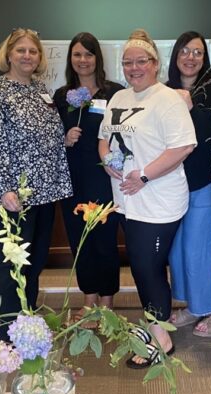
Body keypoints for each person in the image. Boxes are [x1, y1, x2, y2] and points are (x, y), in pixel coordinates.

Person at [98, 29, 196, 368]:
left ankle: (161, 338)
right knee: (143, 268)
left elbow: (183, 146)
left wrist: (144, 175)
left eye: (141, 61)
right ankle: (156, 322)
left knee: (147, 267)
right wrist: (107, 161)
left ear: (155, 63)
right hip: (128, 201)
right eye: (128, 63)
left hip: (158, 202)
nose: (134, 68)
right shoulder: (119, 99)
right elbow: (105, 138)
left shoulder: (168, 99)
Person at [0, 28, 72, 341]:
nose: (27, 56)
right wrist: (3, 188)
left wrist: (65, 138)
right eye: (21, 50)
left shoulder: (40, 89)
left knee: (34, 262)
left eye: (33, 51)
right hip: (14, 196)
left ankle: (25, 322)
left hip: (45, 193)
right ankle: (0, 333)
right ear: (8, 55)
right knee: (11, 267)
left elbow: (44, 136)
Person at [165, 31, 211, 336]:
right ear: (175, 55)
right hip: (169, 184)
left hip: (204, 181)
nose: (190, 58)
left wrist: (190, 103)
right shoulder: (163, 91)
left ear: (205, 59)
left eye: (197, 53)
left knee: (199, 249)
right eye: (185, 51)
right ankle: (195, 305)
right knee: (178, 250)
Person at [53, 33, 124, 324]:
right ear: (71, 59)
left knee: (104, 241)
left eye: (89, 54)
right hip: (73, 180)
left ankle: (107, 301)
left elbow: (123, 134)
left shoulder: (115, 93)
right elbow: (48, 138)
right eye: (77, 55)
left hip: (105, 179)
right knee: (79, 241)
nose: (83, 60)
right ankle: (89, 300)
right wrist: (64, 138)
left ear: (98, 58)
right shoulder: (61, 96)